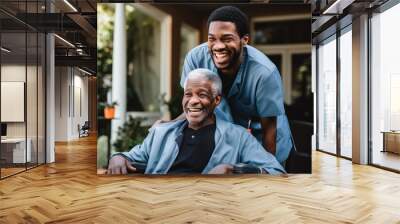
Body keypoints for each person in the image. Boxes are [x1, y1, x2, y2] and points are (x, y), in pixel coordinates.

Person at [107, 69, 285, 175]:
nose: (193, 101)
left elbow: (276, 172)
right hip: (159, 203)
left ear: (216, 100)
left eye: (202, 94)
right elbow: (130, 156)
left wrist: (235, 170)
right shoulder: (161, 133)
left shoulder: (238, 136)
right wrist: (117, 157)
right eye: (188, 94)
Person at [180, 6, 293, 164]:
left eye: (227, 39)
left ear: (244, 40)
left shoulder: (264, 73)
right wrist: (165, 129)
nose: (218, 46)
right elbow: (191, 107)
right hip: (227, 143)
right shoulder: (195, 59)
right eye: (212, 39)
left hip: (264, 142)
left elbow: (269, 130)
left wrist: (268, 169)